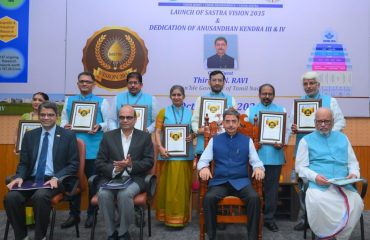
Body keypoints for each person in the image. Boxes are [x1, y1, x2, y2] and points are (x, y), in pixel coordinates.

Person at [4, 101, 79, 240]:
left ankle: (40, 237)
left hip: (53, 180)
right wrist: (20, 176)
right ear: (39, 116)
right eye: (42, 114)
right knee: (11, 198)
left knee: (40, 196)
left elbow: (73, 164)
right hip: (31, 180)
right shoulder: (29, 136)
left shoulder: (68, 136)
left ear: (56, 116)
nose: (46, 118)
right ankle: (22, 237)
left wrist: (57, 178)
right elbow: (24, 163)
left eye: (50, 115)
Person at [289, 71, 346, 231]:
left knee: (326, 185)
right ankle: (305, 219)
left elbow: (341, 122)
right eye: (305, 84)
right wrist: (293, 128)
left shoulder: (330, 101)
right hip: (305, 150)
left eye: (311, 83)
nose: (308, 87)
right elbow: (291, 126)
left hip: (327, 152)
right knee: (304, 186)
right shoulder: (298, 104)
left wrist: (325, 130)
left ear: (318, 84)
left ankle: (328, 218)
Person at [295, 108, 363, 239]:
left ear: (332, 122)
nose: (322, 124)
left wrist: (354, 174)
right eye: (319, 121)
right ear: (314, 122)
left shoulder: (343, 138)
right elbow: (300, 167)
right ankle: (326, 235)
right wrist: (315, 177)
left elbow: (353, 163)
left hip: (343, 185)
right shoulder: (306, 140)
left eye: (326, 121)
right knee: (318, 202)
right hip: (318, 186)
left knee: (357, 202)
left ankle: (342, 235)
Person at [197, 108, 265, 240]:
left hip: (241, 182)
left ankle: (252, 236)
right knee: (209, 198)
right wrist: (204, 167)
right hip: (220, 182)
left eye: (234, 121)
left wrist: (258, 168)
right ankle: (211, 235)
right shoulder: (214, 140)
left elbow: (256, 161)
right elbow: (202, 161)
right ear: (222, 122)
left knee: (254, 198)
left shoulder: (247, 141)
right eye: (227, 121)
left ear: (239, 122)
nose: (231, 124)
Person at [60, 72, 114, 228]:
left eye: (88, 82)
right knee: (71, 183)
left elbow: (109, 123)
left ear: (93, 84)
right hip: (72, 149)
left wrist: (99, 126)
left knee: (93, 182)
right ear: (77, 84)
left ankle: (92, 213)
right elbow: (63, 118)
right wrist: (65, 125)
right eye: (82, 81)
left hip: (94, 149)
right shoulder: (69, 100)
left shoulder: (102, 102)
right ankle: (74, 215)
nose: (84, 84)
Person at [95, 105, 154, 240]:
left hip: (135, 178)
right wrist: (116, 169)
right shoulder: (108, 136)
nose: (125, 120)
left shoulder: (144, 137)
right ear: (118, 119)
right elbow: (99, 162)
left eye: (129, 117)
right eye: (122, 117)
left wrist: (131, 165)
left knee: (125, 194)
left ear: (135, 119)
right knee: (103, 194)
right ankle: (111, 233)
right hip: (112, 178)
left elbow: (149, 162)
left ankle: (123, 232)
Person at [245, 83, 286, 232]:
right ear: (259, 94)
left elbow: (286, 131)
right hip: (255, 158)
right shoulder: (250, 111)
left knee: (272, 191)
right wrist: (255, 140)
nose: (267, 96)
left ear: (273, 95)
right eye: (264, 94)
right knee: (253, 191)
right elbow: (245, 133)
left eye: (269, 94)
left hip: (275, 157)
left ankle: (269, 219)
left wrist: (282, 142)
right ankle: (253, 217)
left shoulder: (281, 110)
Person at [155, 85, 194, 227]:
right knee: (168, 188)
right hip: (167, 155)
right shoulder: (163, 112)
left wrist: (192, 135)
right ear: (170, 96)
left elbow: (194, 131)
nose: (176, 97)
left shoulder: (191, 112)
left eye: (179, 95)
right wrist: (160, 147)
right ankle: (167, 217)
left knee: (182, 189)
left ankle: (181, 218)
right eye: (174, 95)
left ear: (184, 96)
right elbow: (157, 132)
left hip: (185, 157)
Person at [191, 70, 236, 157]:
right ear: (209, 82)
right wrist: (199, 130)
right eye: (214, 80)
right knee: (204, 170)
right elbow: (195, 120)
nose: (217, 83)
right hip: (204, 143)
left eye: (220, 80)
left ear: (224, 82)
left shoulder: (231, 100)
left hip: (225, 145)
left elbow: (235, 122)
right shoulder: (201, 99)